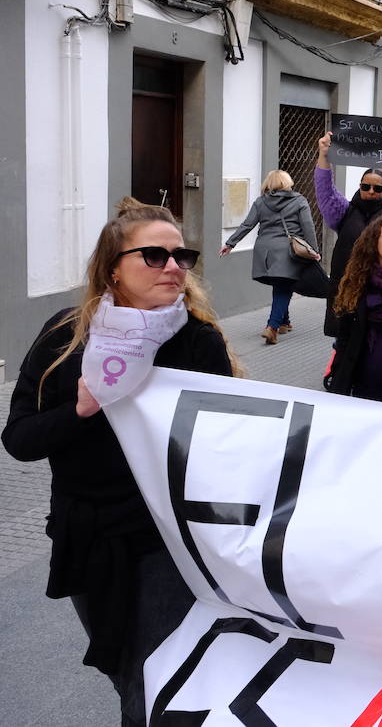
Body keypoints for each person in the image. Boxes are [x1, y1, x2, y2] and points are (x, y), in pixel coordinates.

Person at [4, 198, 235, 726]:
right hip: (88, 537)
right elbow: (19, 439)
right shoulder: (66, 337)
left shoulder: (197, 341)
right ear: (112, 268)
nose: (173, 266)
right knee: (124, 669)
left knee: (155, 678)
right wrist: (80, 410)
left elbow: (228, 444)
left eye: (181, 256)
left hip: (167, 541)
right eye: (154, 255)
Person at [314, 131, 382, 336]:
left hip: (381, 292)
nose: (371, 191)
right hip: (347, 289)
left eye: (377, 188)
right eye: (366, 186)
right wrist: (324, 156)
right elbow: (325, 191)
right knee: (345, 339)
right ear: (359, 186)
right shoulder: (344, 211)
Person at [220, 169, 318, 345]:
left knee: (281, 283)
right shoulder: (299, 200)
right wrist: (314, 250)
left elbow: (247, 225)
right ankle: (272, 327)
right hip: (287, 250)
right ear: (287, 182)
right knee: (284, 285)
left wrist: (230, 243)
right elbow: (308, 226)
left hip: (264, 250)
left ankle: (284, 322)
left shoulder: (261, 202)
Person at [324, 213, 382, 401]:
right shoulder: (357, 284)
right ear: (374, 242)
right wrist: (337, 380)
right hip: (361, 390)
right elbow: (345, 340)